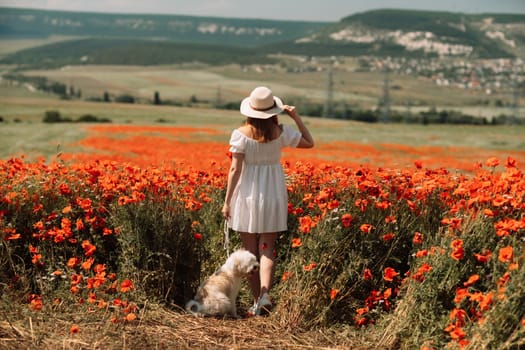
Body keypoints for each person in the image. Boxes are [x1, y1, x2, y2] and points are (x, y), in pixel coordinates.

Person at [221, 86, 314, 316]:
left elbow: (235, 169)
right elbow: (309, 142)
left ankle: (257, 301)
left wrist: (227, 201)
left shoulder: (240, 134)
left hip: (248, 195)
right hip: (273, 193)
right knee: (267, 249)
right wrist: (296, 116)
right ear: (274, 111)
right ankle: (263, 297)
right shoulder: (281, 132)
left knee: (250, 251)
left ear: (250, 110)